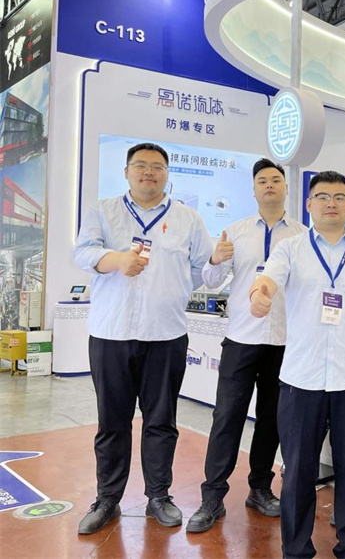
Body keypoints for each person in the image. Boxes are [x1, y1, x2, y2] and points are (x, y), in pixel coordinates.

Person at [249, 170, 345, 559]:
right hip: (302, 378)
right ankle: (296, 549)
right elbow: (268, 280)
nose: (332, 203)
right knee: (298, 470)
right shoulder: (291, 249)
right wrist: (259, 295)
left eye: (340, 197)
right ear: (309, 204)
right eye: (323, 196)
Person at [73, 142, 213, 534]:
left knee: (161, 421)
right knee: (112, 422)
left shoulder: (188, 218)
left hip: (165, 334)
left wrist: (172, 289)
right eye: (140, 165)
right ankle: (107, 499)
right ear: (126, 172)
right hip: (111, 332)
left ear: (167, 174)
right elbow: (82, 253)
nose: (148, 172)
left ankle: (159, 496)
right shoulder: (103, 211)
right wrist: (117, 260)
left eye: (157, 166)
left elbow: (201, 268)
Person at [186, 159, 305, 533]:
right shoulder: (235, 232)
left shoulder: (302, 236)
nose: (269, 184)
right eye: (262, 180)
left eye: (275, 179)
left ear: (286, 187)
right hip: (241, 338)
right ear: (253, 189)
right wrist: (215, 259)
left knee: (271, 420)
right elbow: (210, 281)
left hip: (284, 341)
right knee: (226, 417)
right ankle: (212, 497)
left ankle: (260, 489)